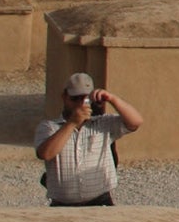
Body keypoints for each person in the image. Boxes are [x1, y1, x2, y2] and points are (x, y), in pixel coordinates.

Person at [33, 72, 144, 206]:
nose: (80, 103)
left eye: (84, 99)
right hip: (62, 205)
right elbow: (46, 153)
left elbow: (135, 122)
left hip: (100, 202)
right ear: (64, 97)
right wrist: (72, 123)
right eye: (75, 99)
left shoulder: (103, 124)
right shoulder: (49, 127)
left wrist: (112, 99)